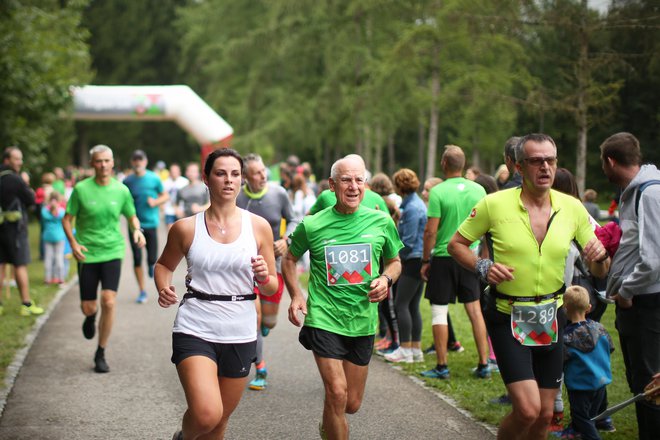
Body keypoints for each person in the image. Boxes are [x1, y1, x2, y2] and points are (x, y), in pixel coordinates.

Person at [447, 133, 610, 440]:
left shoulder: (571, 207)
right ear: (520, 167)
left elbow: (600, 265)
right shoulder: (493, 204)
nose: (545, 167)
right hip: (507, 313)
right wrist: (483, 266)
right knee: (526, 409)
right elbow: (455, 245)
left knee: (546, 415)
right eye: (536, 161)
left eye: (550, 160)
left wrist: (600, 257)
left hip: (552, 314)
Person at [155, 148, 277, 440]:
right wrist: (163, 286)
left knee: (219, 422)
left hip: (240, 330)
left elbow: (272, 286)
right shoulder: (185, 228)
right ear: (207, 179)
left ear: (242, 180)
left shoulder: (258, 227)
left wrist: (263, 277)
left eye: (235, 174)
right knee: (206, 414)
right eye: (220, 173)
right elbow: (163, 265)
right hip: (196, 325)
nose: (228, 180)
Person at [282, 153, 402, 439]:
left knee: (350, 403)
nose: (353, 186)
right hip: (323, 316)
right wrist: (297, 295)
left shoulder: (381, 222)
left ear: (366, 184)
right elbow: (289, 259)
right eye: (346, 180)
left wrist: (386, 280)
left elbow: (395, 262)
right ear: (332, 185)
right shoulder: (313, 225)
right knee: (336, 391)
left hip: (362, 319)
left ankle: (329, 425)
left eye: (359, 180)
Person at [63, 144, 146, 373]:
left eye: (107, 161)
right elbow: (67, 219)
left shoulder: (121, 190)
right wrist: (73, 243)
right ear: (92, 164)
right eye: (98, 161)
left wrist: (137, 230)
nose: (103, 165)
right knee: (88, 307)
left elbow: (132, 217)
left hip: (112, 251)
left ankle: (101, 351)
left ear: (113, 163)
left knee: (109, 300)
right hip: (87, 253)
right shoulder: (81, 189)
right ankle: (90, 317)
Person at [599, 132, 660, 440]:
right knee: (641, 380)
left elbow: (653, 259)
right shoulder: (633, 192)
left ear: (611, 161)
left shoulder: (648, 193)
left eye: (603, 164)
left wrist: (625, 292)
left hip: (645, 303)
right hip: (639, 301)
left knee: (649, 385)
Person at [420, 145, 490, 380]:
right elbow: (487, 226)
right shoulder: (479, 189)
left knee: (439, 311)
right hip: (469, 257)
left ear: (443, 164)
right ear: (463, 164)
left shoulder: (438, 191)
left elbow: (431, 231)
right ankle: (483, 364)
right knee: (475, 311)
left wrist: (425, 259)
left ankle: (442, 366)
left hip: (443, 256)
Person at [236, 153, 299, 391]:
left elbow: (293, 220)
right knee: (255, 318)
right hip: (246, 267)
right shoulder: (238, 198)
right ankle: (260, 367)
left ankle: (263, 329)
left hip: (274, 265)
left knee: (269, 322)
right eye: (257, 173)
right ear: (245, 177)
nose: (263, 175)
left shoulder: (278, 194)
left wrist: (286, 239)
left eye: (264, 171)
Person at [556, 285, 614, 440]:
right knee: (591, 414)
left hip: (580, 386)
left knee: (582, 418)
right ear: (589, 307)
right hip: (600, 382)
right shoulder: (600, 328)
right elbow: (611, 348)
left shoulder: (566, 338)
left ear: (565, 308)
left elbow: (561, 362)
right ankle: (576, 431)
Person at [383, 168, 427, 364]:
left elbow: (407, 242)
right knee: (413, 305)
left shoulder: (412, 209)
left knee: (401, 304)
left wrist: (391, 255)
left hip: (410, 260)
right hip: (418, 259)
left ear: (400, 186)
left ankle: (405, 350)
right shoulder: (414, 205)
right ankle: (415, 350)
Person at [0, 146, 44, 317]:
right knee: (19, 265)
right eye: (17, 159)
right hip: (15, 229)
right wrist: (25, 184)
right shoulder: (15, 179)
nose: (20, 162)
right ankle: (26, 304)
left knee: (1, 264)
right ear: (7, 160)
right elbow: (31, 200)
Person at [123, 149, 169, 304]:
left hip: (151, 223)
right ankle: (142, 291)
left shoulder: (154, 178)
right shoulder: (127, 181)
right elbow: (123, 199)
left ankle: (151, 265)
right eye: (135, 160)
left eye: (140, 160)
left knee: (152, 258)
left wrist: (155, 202)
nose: (138, 162)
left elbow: (165, 196)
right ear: (132, 162)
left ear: (145, 161)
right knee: (137, 258)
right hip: (134, 225)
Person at [41, 191, 66, 284]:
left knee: (48, 258)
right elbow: (63, 217)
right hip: (59, 236)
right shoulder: (61, 211)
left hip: (47, 236)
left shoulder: (44, 210)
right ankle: (60, 279)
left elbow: (44, 219)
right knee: (59, 258)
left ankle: (47, 279)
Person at [162, 163, 189, 230]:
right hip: (169, 210)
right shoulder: (165, 183)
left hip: (181, 210)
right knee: (170, 231)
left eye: (175, 171)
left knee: (181, 232)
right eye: (172, 171)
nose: (174, 173)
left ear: (179, 172)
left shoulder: (185, 182)